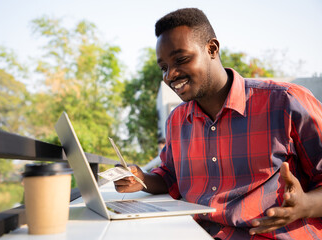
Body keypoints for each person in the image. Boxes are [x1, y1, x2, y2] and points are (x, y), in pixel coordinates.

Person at [114, 8, 322, 239]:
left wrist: (306, 205)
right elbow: (170, 175)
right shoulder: (177, 120)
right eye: (163, 68)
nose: (170, 75)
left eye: (181, 60)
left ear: (212, 49)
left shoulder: (287, 101)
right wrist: (142, 179)